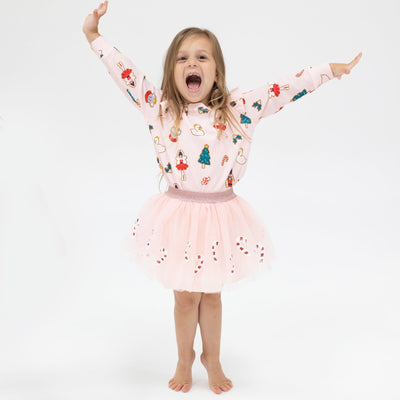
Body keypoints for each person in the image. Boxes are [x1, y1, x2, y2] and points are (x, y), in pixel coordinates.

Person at [82, 1, 362, 394]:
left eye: (201, 57)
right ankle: (185, 357)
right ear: (171, 71)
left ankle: (212, 357)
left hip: (220, 214)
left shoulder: (237, 108)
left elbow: (283, 88)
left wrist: (328, 71)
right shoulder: (159, 107)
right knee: (184, 298)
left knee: (210, 296)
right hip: (178, 214)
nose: (191, 63)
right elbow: (124, 72)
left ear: (216, 71)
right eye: (182, 58)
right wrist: (94, 35)